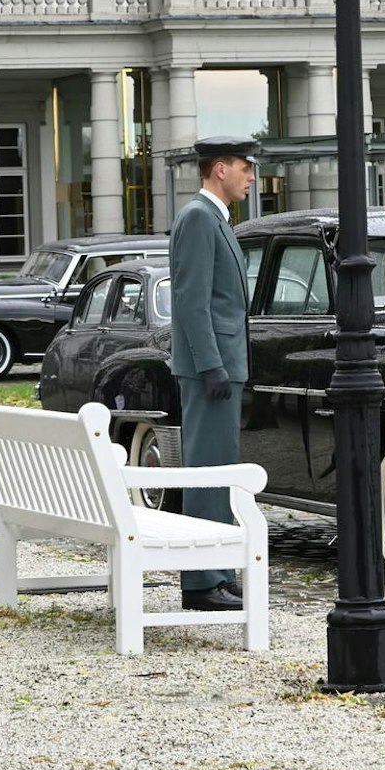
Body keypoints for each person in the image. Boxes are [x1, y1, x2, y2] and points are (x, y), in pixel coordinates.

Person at [168, 136, 259, 613]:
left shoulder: (214, 218)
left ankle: (217, 572)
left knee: (221, 472)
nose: (251, 177)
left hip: (222, 365)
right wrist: (211, 365)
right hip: (212, 369)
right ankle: (202, 581)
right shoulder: (200, 217)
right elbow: (191, 299)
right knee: (207, 473)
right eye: (245, 167)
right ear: (220, 168)